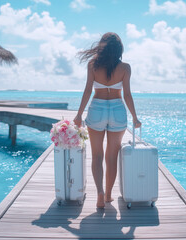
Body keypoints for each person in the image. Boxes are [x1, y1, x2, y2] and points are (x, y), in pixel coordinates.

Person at [74, 32, 140, 208]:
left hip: (97, 109)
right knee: (112, 157)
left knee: (97, 155)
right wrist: (135, 117)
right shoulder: (125, 68)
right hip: (117, 109)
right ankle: (109, 194)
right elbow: (127, 94)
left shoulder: (92, 65)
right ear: (119, 49)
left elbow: (88, 90)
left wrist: (79, 113)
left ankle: (100, 193)